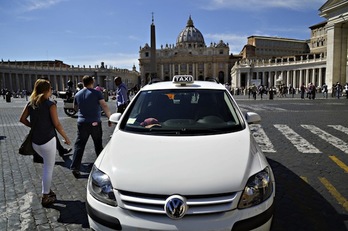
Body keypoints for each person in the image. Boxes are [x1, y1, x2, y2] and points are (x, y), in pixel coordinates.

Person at [19, 79, 71, 207]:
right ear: (47, 90)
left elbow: (22, 119)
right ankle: (45, 195)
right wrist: (66, 138)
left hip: (36, 143)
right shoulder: (50, 104)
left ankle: (46, 190)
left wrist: (34, 126)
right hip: (48, 141)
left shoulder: (31, 103)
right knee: (48, 168)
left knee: (46, 167)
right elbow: (57, 124)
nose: (51, 90)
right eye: (50, 88)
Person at [70, 75, 112, 178]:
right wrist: (109, 117)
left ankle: (75, 167)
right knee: (98, 144)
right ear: (92, 82)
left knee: (79, 145)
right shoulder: (97, 93)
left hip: (82, 122)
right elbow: (104, 105)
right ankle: (103, 166)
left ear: (83, 82)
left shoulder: (78, 94)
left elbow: (74, 108)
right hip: (95, 123)